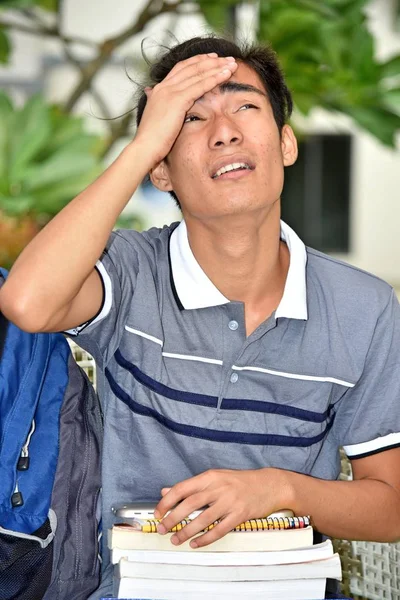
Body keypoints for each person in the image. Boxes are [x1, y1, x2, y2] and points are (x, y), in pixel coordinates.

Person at [1, 35, 400, 597]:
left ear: (286, 143)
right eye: (191, 118)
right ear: (161, 171)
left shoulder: (365, 308)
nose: (226, 130)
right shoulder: (133, 271)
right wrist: (141, 147)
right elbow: (27, 302)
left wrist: (278, 489)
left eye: (245, 105)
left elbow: (391, 507)